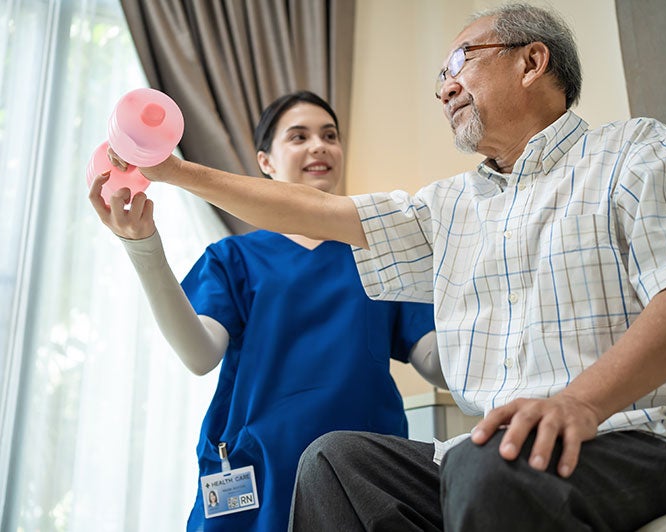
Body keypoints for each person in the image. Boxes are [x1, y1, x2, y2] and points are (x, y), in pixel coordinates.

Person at [102, 3, 666, 530]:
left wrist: (580, 402)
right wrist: (172, 171)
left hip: (626, 433)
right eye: (440, 77)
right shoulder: (448, 208)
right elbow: (322, 214)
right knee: (337, 463)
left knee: (484, 464)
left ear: (532, 60)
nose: (444, 89)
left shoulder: (637, 152)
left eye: (459, 63)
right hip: (493, 452)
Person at [88, 91, 441, 531]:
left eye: (329, 135)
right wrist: (143, 246)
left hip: (359, 473)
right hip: (257, 472)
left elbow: (438, 363)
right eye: (299, 136)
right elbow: (199, 355)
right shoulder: (235, 257)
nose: (319, 145)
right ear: (265, 162)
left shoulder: (378, 252)